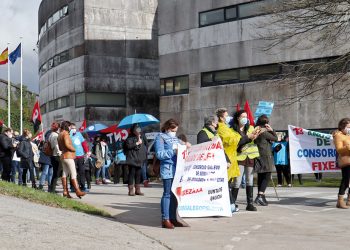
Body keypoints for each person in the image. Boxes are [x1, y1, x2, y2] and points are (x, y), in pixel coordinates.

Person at [154, 119, 190, 229]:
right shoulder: (160, 137)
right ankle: (165, 219)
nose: (174, 132)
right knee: (167, 194)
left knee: (175, 195)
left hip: (178, 169)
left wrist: (186, 145)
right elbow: (159, 154)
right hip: (167, 168)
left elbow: (183, 146)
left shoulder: (176, 139)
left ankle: (173, 218)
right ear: (167, 128)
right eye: (172, 130)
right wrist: (173, 151)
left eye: (176, 130)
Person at [231, 110, 260, 211]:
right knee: (237, 182)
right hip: (239, 158)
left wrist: (256, 136)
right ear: (238, 118)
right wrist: (248, 138)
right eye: (243, 116)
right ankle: (232, 203)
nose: (245, 118)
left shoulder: (251, 128)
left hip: (250, 158)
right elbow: (237, 142)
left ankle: (250, 204)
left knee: (250, 180)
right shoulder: (232, 130)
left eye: (246, 116)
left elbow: (255, 140)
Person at [216, 108, 241, 213]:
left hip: (232, 158)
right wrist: (241, 138)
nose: (228, 117)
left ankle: (230, 203)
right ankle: (229, 204)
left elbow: (237, 136)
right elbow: (231, 139)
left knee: (229, 184)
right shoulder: (221, 128)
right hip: (226, 158)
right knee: (225, 184)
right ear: (221, 117)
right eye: (226, 115)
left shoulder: (227, 127)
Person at [254, 115, 278, 206]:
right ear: (266, 124)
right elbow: (275, 138)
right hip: (266, 155)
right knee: (267, 175)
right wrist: (272, 130)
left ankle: (260, 195)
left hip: (259, 155)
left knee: (261, 175)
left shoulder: (256, 130)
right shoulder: (263, 131)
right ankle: (260, 195)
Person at [57, 121, 85, 199]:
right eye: (69, 126)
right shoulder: (65, 134)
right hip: (69, 156)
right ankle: (77, 191)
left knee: (64, 174)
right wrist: (74, 149)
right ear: (67, 126)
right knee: (73, 173)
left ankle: (65, 191)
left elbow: (60, 148)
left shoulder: (59, 134)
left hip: (63, 156)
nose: (70, 128)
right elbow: (67, 144)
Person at [124, 124, 147, 196]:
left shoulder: (142, 136)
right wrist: (137, 143)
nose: (137, 131)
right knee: (132, 173)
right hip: (132, 158)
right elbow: (128, 146)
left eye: (138, 129)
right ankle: (131, 190)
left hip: (140, 158)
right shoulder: (129, 138)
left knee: (138, 174)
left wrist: (140, 140)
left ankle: (138, 190)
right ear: (133, 130)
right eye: (136, 130)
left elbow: (146, 145)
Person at [333, 118, 350, 209]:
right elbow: (339, 150)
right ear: (342, 126)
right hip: (346, 161)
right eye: (348, 126)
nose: (349, 128)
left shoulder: (349, 135)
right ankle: (340, 200)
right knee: (346, 180)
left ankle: (349, 200)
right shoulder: (338, 135)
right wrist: (348, 147)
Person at [70, 123, 90, 191]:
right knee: (73, 172)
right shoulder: (68, 135)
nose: (74, 129)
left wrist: (87, 151)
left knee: (82, 171)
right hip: (73, 156)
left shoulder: (79, 134)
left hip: (80, 155)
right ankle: (72, 186)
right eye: (72, 128)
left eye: (75, 128)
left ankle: (83, 186)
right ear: (70, 128)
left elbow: (83, 143)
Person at [48, 122, 62, 193]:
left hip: (52, 155)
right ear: (58, 128)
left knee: (55, 173)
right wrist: (60, 152)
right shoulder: (55, 135)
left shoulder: (51, 134)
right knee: (57, 173)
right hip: (56, 155)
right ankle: (52, 189)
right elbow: (56, 146)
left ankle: (51, 188)